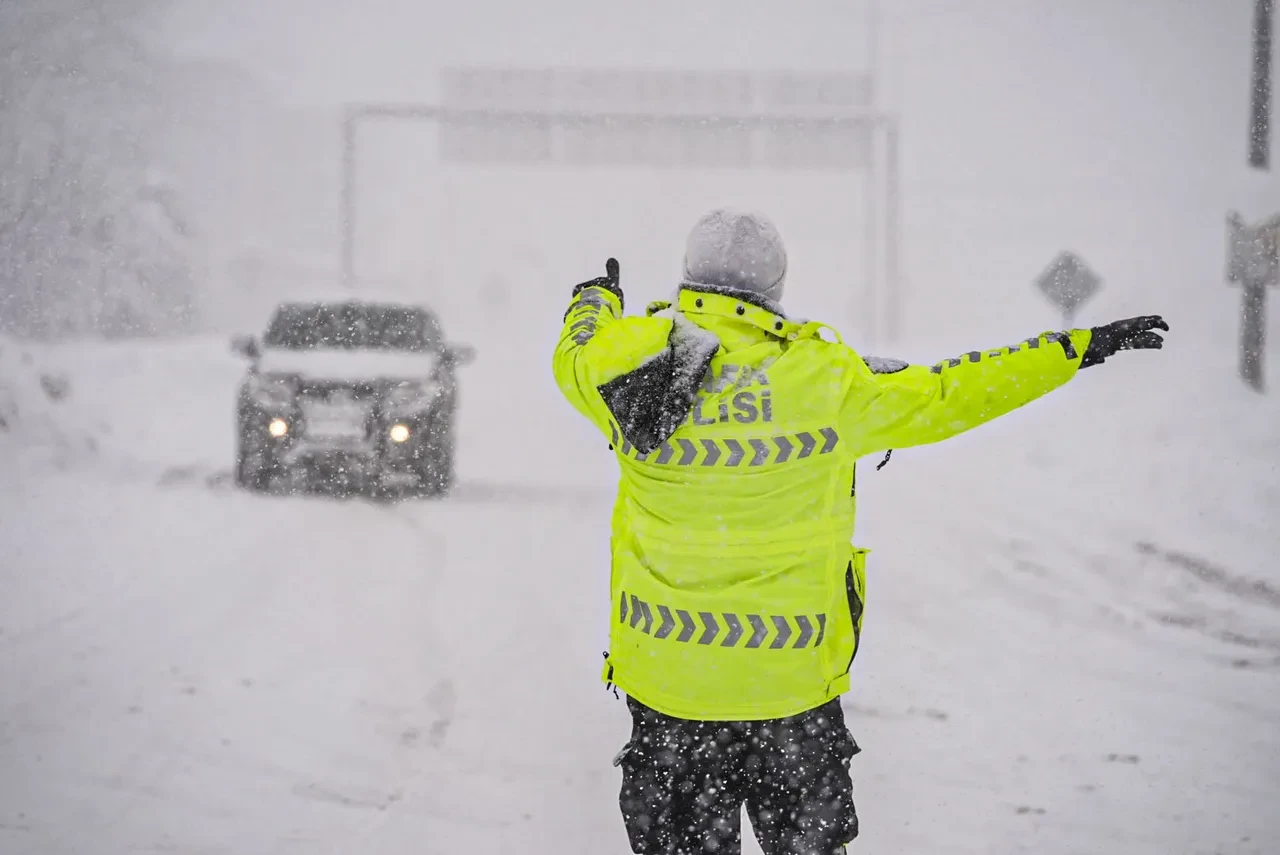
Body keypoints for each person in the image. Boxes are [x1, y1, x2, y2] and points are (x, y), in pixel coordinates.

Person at [551, 209, 1167, 854]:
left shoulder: (626, 374)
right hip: (786, 688)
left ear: (687, 274)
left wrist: (593, 300)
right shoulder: (827, 381)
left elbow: (574, 352)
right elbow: (951, 390)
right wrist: (1072, 348)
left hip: (668, 683)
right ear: (775, 288)